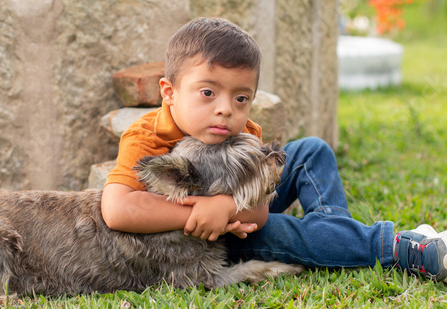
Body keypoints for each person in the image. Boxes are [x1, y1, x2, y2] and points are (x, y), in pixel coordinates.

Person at [101, 17, 447, 282]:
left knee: (311, 149)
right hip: (206, 240)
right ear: (169, 92)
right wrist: (207, 214)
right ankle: (406, 250)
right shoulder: (146, 135)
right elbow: (117, 210)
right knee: (282, 232)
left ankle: (332, 238)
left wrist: (225, 205)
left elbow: (259, 209)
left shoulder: (241, 129)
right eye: (208, 93)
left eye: (241, 98)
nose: (226, 109)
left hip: (239, 216)